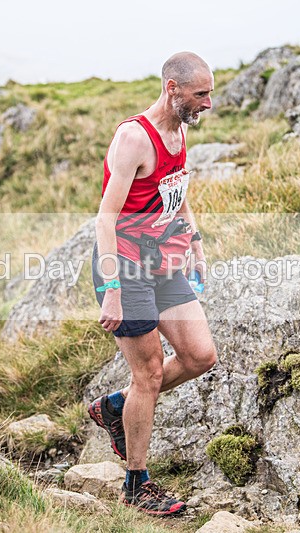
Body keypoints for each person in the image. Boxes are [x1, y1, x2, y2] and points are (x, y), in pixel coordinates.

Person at [87, 51, 218, 516]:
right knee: (150, 375)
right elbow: (105, 219)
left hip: (164, 263)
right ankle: (136, 484)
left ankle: (116, 406)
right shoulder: (133, 138)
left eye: (209, 93)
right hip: (124, 268)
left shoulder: (181, 131)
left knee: (200, 356)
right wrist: (113, 291)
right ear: (172, 88)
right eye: (200, 94)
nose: (207, 103)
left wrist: (195, 243)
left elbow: (178, 193)